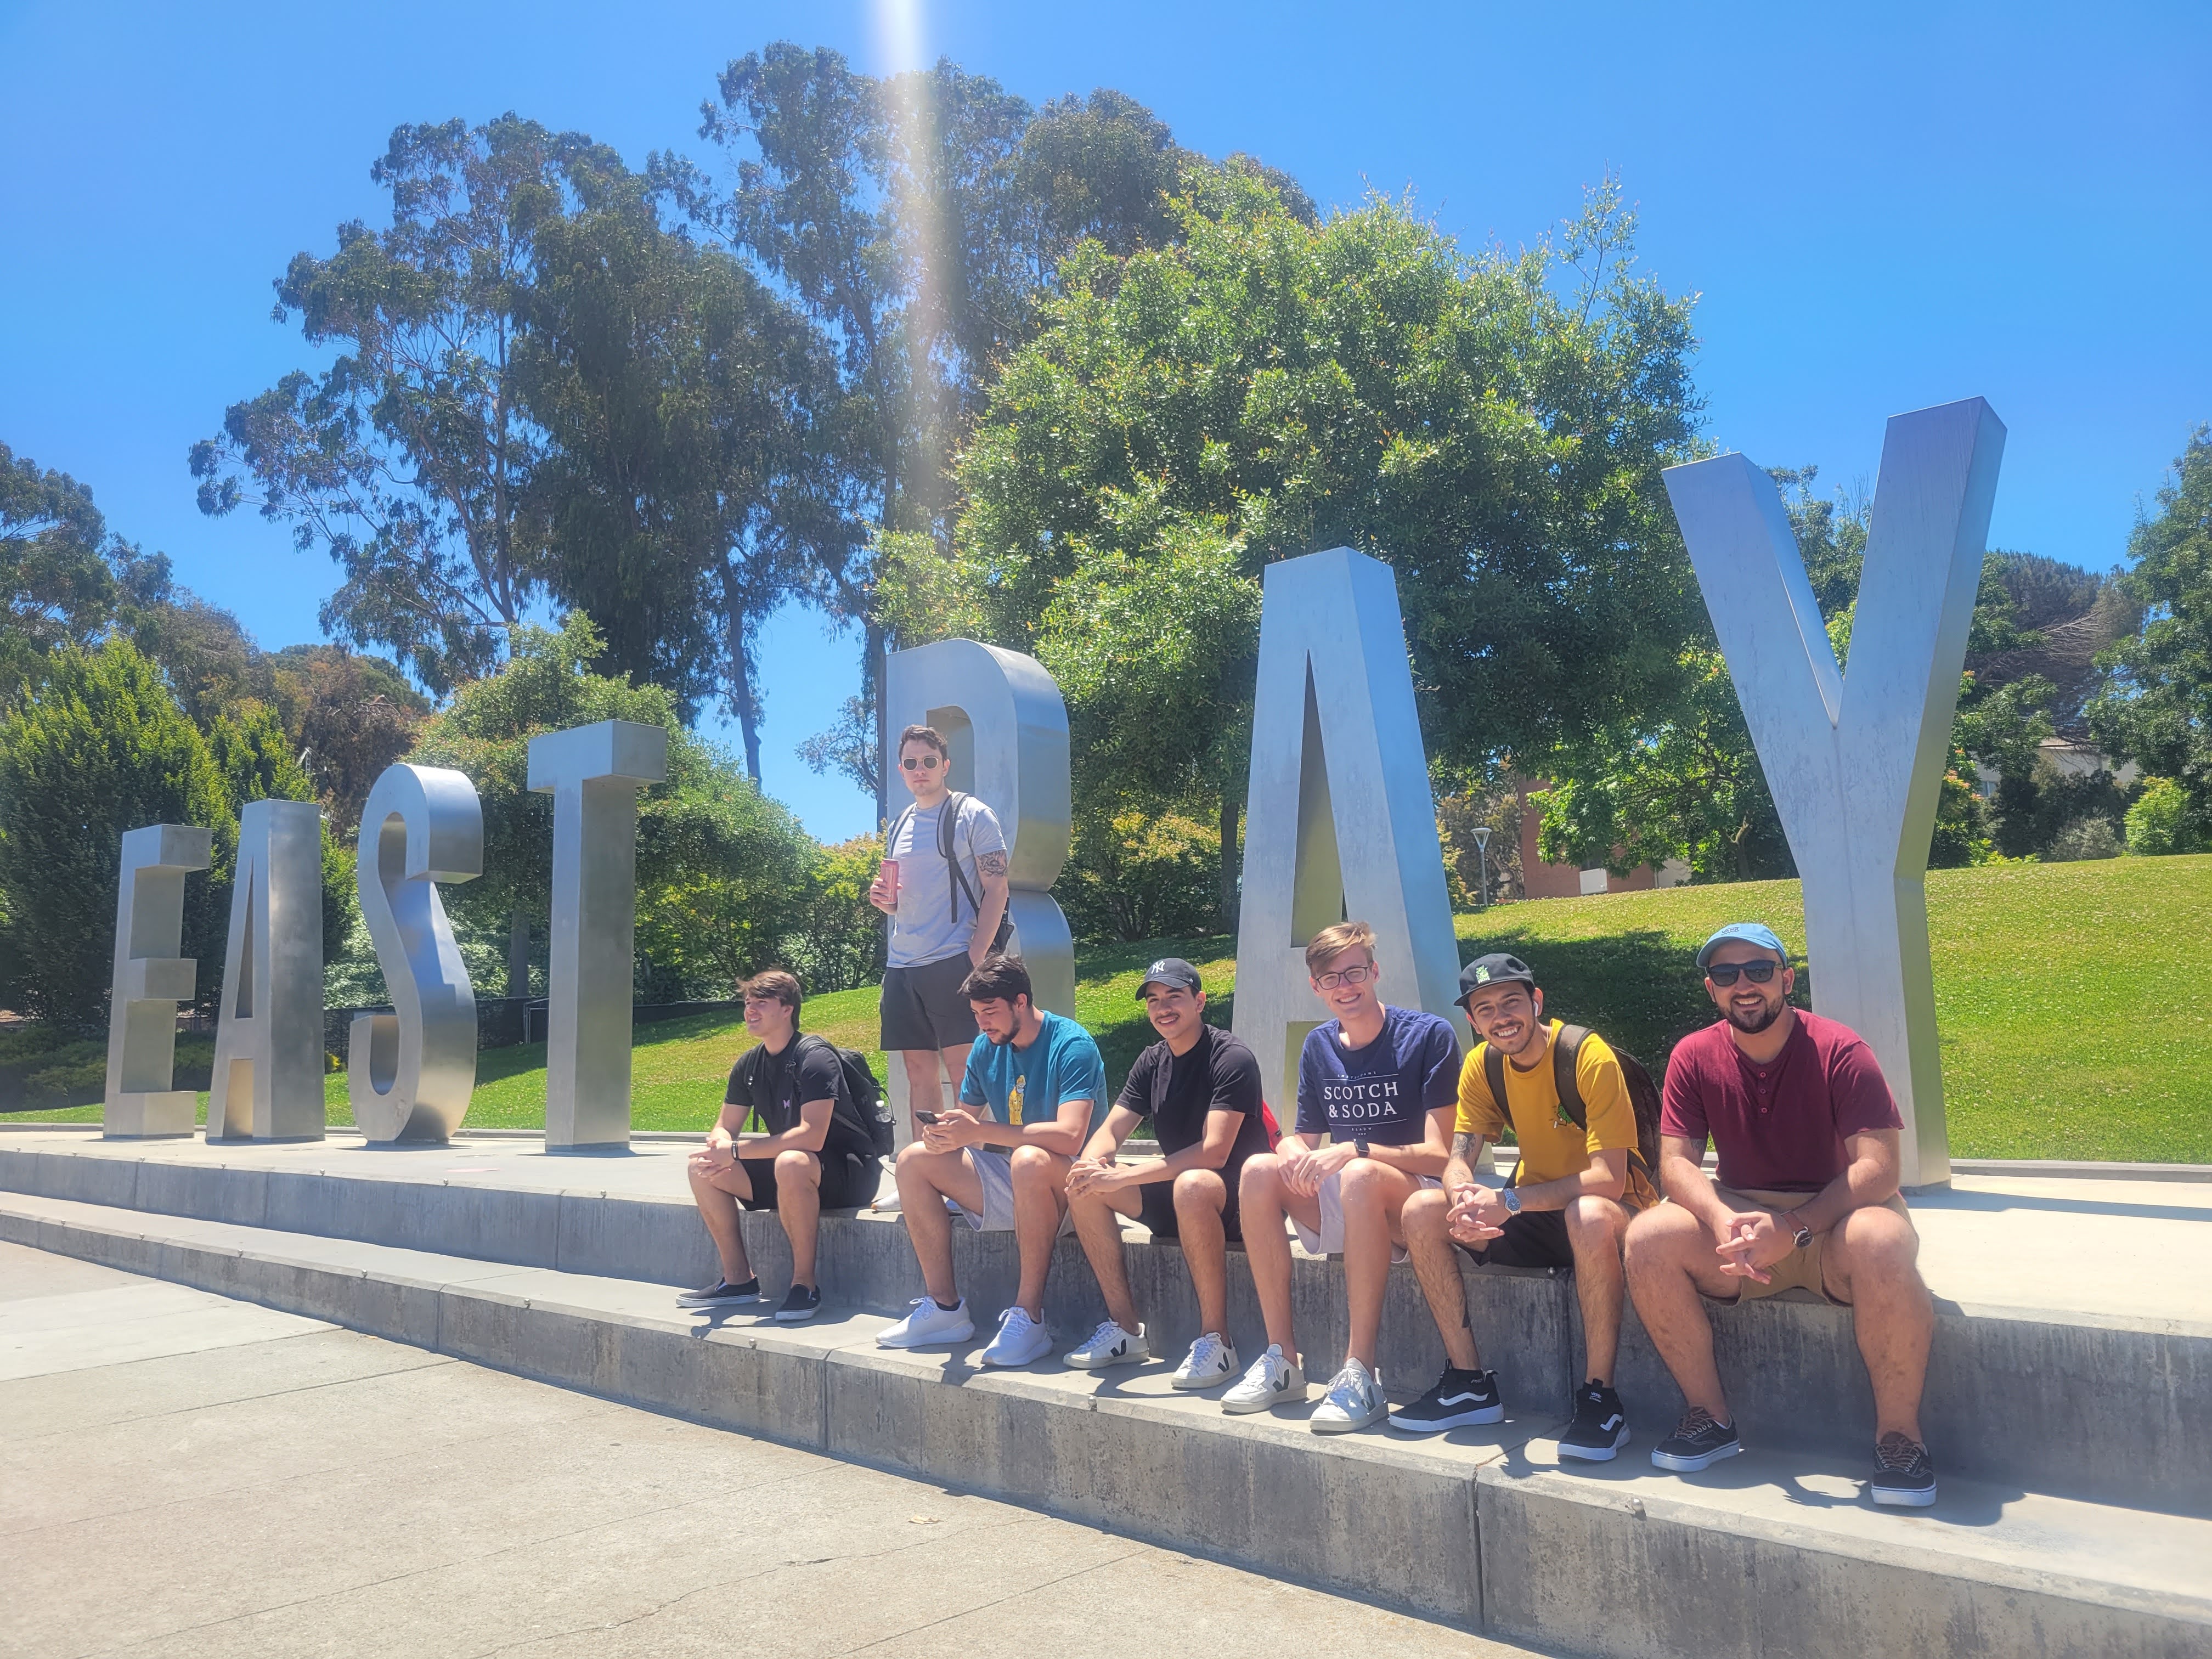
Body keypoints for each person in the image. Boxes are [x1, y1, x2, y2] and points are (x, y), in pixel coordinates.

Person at [1623, 923, 1939, 1507]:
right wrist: (1721, 1220)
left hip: (1836, 1223)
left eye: (1759, 971)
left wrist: (1792, 1229)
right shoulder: (1694, 1055)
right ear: (1712, 990)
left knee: (1880, 1239)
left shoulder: (1842, 1050)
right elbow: (1676, 1166)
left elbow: (1878, 1170)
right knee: (1649, 1235)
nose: (1744, 985)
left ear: (1787, 980)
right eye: (1726, 975)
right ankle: (1709, 1419)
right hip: (1742, 1221)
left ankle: (1900, 1440)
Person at [1391, 953, 1657, 1457]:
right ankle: (1468, 1383)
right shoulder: (1482, 1064)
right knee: (1421, 1210)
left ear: (1536, 1001)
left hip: (1615, 1211)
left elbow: (1608, 1178)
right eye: (1485, 1008)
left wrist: (1509, 1200)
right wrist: (1464, 1200)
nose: (1501, 1017)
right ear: (1472, 1020)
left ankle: (1602, 1399)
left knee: (1589, 1213)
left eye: (1511, 1002)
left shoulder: (1585, 1055)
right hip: (1535, 1212)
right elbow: (1457, 1159)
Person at [1228, 920, 1459, 1432]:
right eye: (1330, 979)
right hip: (1352, 1192)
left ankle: (1361, 1371)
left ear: (1375, 972)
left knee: (1357, 1174)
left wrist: (1352, 1149)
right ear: (1315, 987)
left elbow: (1441, 1156)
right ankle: (1283, 1358)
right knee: (1259, 1170)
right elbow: (1305, 1139)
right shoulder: (1318, 1046)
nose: (1345, 987)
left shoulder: (1428, 1035)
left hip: (1412, 1198)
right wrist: (1289, 1146)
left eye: (1354, 972)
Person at [875, 954, 1107, 1365]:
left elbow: (1071, 1134)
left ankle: (1029, 1318)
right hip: (1022, 1179)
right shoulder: (987, 1046)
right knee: (914, 1160)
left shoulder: (1072, 1044)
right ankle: (944, 1309)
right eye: (976, 1014)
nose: (982, 1023)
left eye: (990, 1012)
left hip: (1080, 1189)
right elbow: (968, 1121)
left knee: (1031, 1160)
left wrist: (978, 1132)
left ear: (1021, 1002)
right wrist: (945, 1133)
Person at [1061, 958, 1273, 1388]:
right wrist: (1095, 1163)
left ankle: (1216, 1341)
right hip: (1177, 1194)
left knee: (1193, 1185)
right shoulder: (1152, 1060)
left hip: (1235, 1202)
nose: (1163, 1008)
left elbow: (1215, 1153)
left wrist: (1123, 1177)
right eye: (1154, 1001)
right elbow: (1112, 1129)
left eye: (1174, 997)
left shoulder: (1231, 1058)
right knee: (1084, 1185)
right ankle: (1125, 1329)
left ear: (1200, 1001)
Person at [679, 970, 883, 1321]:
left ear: (787, 1009)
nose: (750, 1011)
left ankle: (805, 1286)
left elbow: (812, 1136)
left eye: (761, 1003)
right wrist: (722, 1144)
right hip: (793, 1173)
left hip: (848, 1173)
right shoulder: (750, 1063)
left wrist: (737, 1151)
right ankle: (739, 1280)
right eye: (747, 1003)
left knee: (791, 1160)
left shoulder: (814, 1056)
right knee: (702, 1167)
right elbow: (725, 1125)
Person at [868, 724, 1011, 1133]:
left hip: (954, 959)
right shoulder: (899, 825)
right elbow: (899, 901)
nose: (920, 770)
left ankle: (976, 1170)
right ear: (901, 769)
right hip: (903, 965)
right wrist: (884, 901)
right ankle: (927, 1171)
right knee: (918, 1072)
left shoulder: (972, 814)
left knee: (966, 1071)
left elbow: (997, 888)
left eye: (929, 761)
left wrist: (975, 957)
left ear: (945, 765)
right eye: (911, 763)